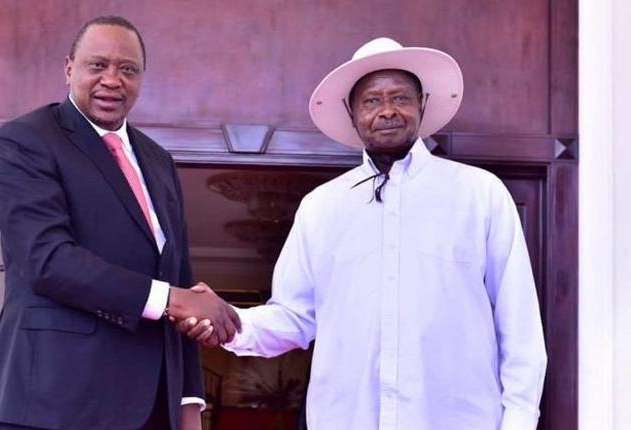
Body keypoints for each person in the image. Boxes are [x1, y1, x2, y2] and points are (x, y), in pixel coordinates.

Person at [179, 37, 547, 429]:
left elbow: (519, 329)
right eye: (372, 101)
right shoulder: (322, 207)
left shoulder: (479, 194)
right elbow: (295, 317)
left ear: (422, 103)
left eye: (400, 98)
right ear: (351, 113)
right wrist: (229, 322)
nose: (387, 111)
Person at [0, 15, 239, 430]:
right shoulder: (25, 140)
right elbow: (49, 261)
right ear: (69, 69)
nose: (112, 80)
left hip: (152, 406)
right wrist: (172, 299)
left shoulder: (158, 161)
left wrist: (189, 400)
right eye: (97, 65)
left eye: (128, 69)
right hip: (56, 401)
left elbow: (179, 275)